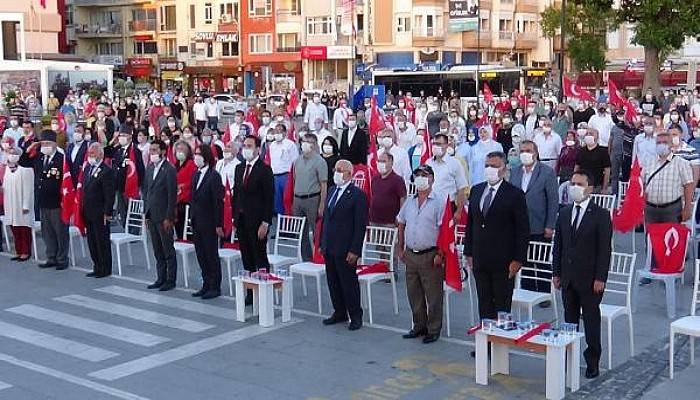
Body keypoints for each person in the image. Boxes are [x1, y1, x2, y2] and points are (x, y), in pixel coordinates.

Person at [552, 169, 612, 379]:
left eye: (579, 184)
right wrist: (556, 273)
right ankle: (569, 357)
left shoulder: (601, 215)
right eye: (572, 183)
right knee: (569, 320)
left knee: (591, 320)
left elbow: (605, 250)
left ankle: (592, 360)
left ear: (590, 188)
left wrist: (600, 278)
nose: (574, 187)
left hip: (590, 280)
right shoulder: (565, 212)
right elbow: (558, 244)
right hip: (568, 277)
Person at [464, 151, 529, 321]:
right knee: (484, 302)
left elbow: (523, 229)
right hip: (480, 258)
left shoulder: (514, 194)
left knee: (501, 304)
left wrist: (518, 259)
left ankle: (499, 344)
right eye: (487, 166)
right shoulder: (477, 190)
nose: (490, 169)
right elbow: (471, 223)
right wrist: (468, 252)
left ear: (504, 168)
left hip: (504, 261)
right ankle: (485, 345)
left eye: (494, 166)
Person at [396, 165, 445, 343]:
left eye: (424, 175)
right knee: (413, 293)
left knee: (433, 295)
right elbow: (401, 223)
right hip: (411, 254)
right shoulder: (410, 201)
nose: (420, 179)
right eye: (417, 175)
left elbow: (444, 230)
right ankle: (419, 325)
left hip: (430, 254)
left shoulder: (439, 201)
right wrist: (400, 247)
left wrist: (441, 253)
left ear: (432, 178)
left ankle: (433, 329)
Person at [320, 159, 368, 331]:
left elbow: (360, 225)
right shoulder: (332, 191)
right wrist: (321, 242)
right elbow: (326, 219)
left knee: (348, 283)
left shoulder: (357, 195)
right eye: (336, 170)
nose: (337, 173)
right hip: (330, 245)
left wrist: (355, 250)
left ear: (349, 174)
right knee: (333, 281)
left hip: (345, 247)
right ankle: (339, 311)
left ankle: (355, 315)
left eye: (340, 170)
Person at [509, 140, 559, 293]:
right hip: (520, 225)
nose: (525, 153)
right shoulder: (515, 171)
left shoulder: (546, 172)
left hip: (540, 224)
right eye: (522, 150)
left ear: (536, 153)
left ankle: (543, 291)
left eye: (528, 150)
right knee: (524, 259)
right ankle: (528, 289)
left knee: (541, 260)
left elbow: (553, 200)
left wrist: (550, 225)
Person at [233, 135, 274, 304]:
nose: (246, 149)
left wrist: (265, 222)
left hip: (257, 221)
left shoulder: (264, 170)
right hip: (242, 220)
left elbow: (269, 198)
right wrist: (235, 218)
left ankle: (265, 291)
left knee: (259, 256)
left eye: (249, 146)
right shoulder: (239, 168)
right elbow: (236, 195)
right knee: (246, 256)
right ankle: (251, 292)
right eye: (244, 146)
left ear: (257, 148)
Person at [188, 145, 224, 299]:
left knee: (211, 254)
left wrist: (218, 224)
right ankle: (206, 283)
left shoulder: (214, 176)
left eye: (199, 154)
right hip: (197, 220)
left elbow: (218, 202)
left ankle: (215, 285)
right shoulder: (196, 174)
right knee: (200, 254)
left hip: (209, 221)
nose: (196, 157)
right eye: (195, 154)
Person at [143, 140, 178, 291]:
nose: (152, 153)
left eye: (155, 150)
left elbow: (172, 195)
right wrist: (146, 212)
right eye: (151, 150)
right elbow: (146, 191)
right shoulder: (150, 167)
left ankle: (170, 279)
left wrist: (169, 217)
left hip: (164, 215)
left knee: (167, 248)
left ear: (163, 151)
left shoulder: (169, 169)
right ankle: (160, 277)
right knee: (157, 249)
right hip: (152, 214)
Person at [36, 130, 69, 270]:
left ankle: (62, 258)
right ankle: (51, 256)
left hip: (57, 201)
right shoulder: (41, 158)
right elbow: (24, 161)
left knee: (60, 231)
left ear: (55, 144)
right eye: (43, 143)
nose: (45, 146)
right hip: (44, 201)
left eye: (48, 143)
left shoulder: (61, 159)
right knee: (47, 231)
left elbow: (66, 179)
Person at [292, 134, 328, 261]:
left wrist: (322, 204)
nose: (305, 144)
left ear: (314, 144)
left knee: (316, 230)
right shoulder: (297, 160)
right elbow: (295, 179)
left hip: (312, 198)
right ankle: (306, 258)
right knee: (301, 231)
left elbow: (323, 184)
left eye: (309, 142)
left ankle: (321, 257)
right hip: (298, 199)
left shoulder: (320, 161)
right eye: (304, 141)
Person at [82, 143, 116, 278]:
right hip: (88, 211)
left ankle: (105, 268)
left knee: (101, 241)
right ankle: (96, 266)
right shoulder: (87, 169)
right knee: (92, 241)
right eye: (89, 154)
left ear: (100, 155)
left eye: (93, 154)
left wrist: (107, 213)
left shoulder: (106, 171)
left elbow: (109, 194)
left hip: (100, 212)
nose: (90, 157)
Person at [3, 146, 35, 262]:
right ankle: (18, 251)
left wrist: (26, 205)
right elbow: (6, 184)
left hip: (21, 204)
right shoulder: (7, 169)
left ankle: (26, 251)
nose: (12, 155)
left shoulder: (26, 170)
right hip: (10, 203)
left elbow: (28, 189)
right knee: (15, 228)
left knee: (23, 228)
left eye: (14, 153)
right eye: (10, 153)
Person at [426, 133, 469, 215]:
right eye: (434, 144)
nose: (435, 146)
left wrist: (459, 212)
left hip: (448, 207)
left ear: (446, 145)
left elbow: (461, 188)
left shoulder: (455, 163)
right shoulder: (428, 163)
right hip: (430, 206)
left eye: (438, 144)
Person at [112, 130, 145, 226]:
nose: (121, 137)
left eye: (124, 135)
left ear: (130, 136)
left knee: (132, 209)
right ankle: (124, 227)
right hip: (120, 185)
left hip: (131, 184)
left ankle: (133, 231)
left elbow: (140, 168)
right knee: (123, 210)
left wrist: (139, 184)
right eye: (120, 135)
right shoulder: (118, 149)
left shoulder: (135, 151)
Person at [369, 152, 407, 226]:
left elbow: (403, 198)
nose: (380, 163)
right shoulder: (374, 179)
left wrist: (400, 217)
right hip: (373, 220)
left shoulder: (397, 180)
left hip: (389, 222)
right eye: (379, 161)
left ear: (391, 163)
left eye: (383, 161)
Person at [575, 128, 611, 193]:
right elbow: (577, 167)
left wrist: (604, 188)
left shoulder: (603, 151)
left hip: (596, 186)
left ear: (597, 137)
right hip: (581, 186)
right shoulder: (581, 151)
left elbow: (607, 171)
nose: (589, 136)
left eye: (591, 134)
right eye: (587, 134)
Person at [174, 141, 197, 239]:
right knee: (178, 224)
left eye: (182, 149)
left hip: (186, 198)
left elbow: (193, 180)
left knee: (184, 222)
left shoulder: (191, 164)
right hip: (176, 198)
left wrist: (182, 186)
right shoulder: (175, 165)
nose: (180, 151)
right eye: (178, 149)